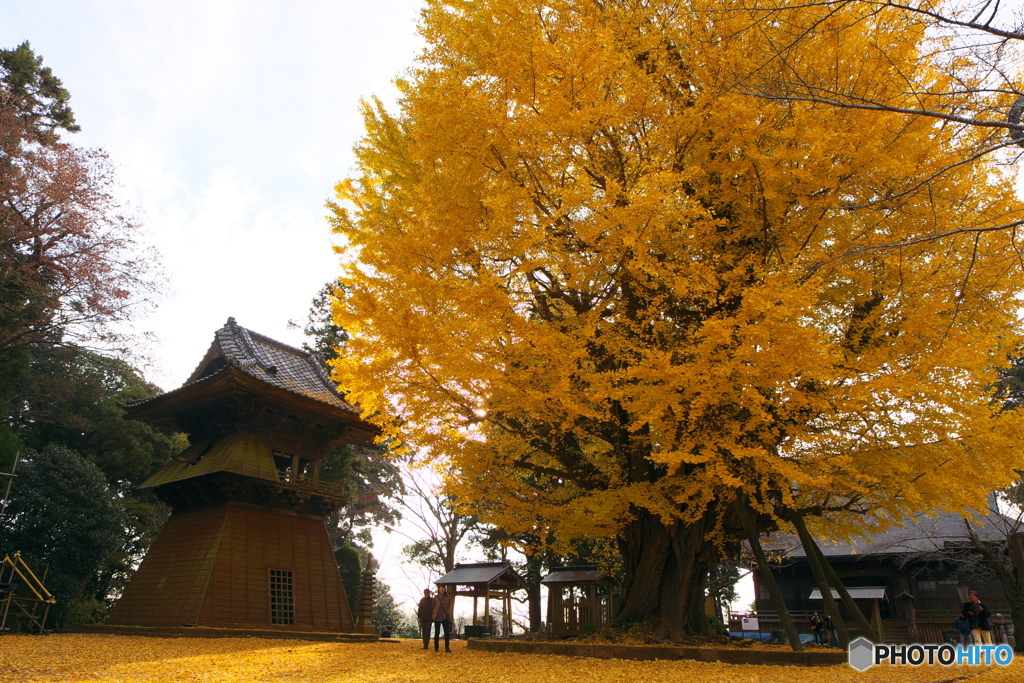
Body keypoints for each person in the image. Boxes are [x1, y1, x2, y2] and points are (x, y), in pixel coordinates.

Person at [432, 585, 454, 652]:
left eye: (443, 588)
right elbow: (433, 606)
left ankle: (447, 648)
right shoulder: (435, 597)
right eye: (441, 588)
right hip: (437, 617)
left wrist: (449, 614)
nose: (442, 590)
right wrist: (433, 615)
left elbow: (450, 606)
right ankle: (436, 648)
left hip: (445, 617)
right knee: (437, 633)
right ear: (438, 589)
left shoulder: (447, 597)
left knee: (446, 633)